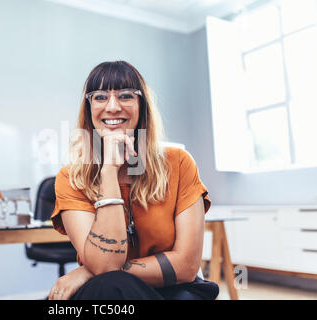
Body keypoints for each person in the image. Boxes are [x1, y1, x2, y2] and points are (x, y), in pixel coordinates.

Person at [48, 61, 219, 300]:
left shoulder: (179, 163)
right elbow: (105, 268)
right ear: (89, 109)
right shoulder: (70, 178)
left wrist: (89, 271)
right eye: (99, 97)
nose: (113, 107)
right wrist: (109, 171)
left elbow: (186, 266)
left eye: (126, 95)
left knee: (111, 283)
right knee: (109, 288)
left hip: (175, 288)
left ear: (142, 106)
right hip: (110, 290)